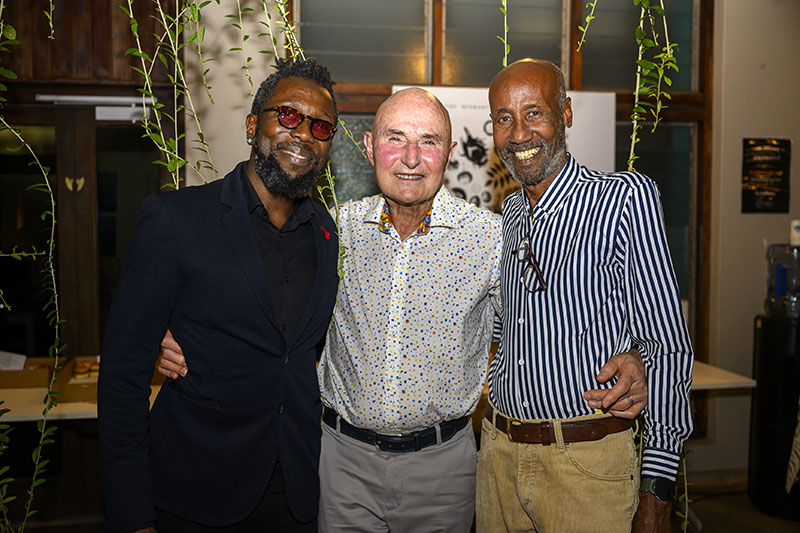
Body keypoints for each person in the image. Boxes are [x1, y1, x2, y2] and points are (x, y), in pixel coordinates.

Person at [159, 88, 648, 531]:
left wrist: (633, 352)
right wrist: (178, 330)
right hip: (342, 464)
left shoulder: (491, 238)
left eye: (428, 141)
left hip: (444, 469)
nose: (411, 158)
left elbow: (539, 323)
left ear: (449, 154)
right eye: (396, 139)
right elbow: (265, 308)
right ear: (370, 147)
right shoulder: (331, 231)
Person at [97, 58, 341, 532]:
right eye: (288, 115)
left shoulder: (324, 233)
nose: (303, 134)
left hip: (295, 494)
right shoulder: (176, 219)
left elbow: (295, 353)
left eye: (320, 127)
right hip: (195, 491)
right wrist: (132, 515)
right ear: (253, 125)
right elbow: (123, 375)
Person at [476, 58, 694, 533]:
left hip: (585, 468)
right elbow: (504, 331)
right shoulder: (509, 215)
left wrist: (658, 492)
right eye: (504, 119)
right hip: (498, 459)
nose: (518, 134)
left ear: (566, 112)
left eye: (534, 113)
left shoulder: (624, 199)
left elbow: (668, 346)